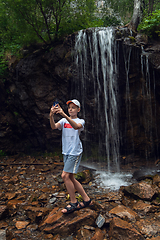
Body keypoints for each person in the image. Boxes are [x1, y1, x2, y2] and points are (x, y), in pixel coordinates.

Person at [50, 99, 92, 214]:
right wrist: (51, 115)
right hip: (66, 152)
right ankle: (86, 199)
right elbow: (53, 127)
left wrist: (63, 113)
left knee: (64, 176)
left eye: (73, 108)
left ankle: (73, 202)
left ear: (78, 110)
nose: (70, 109)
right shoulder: (63, 121)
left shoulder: (81, 121)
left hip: (75, 152)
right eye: (69, 108)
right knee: (71, 177)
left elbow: (76, 127)